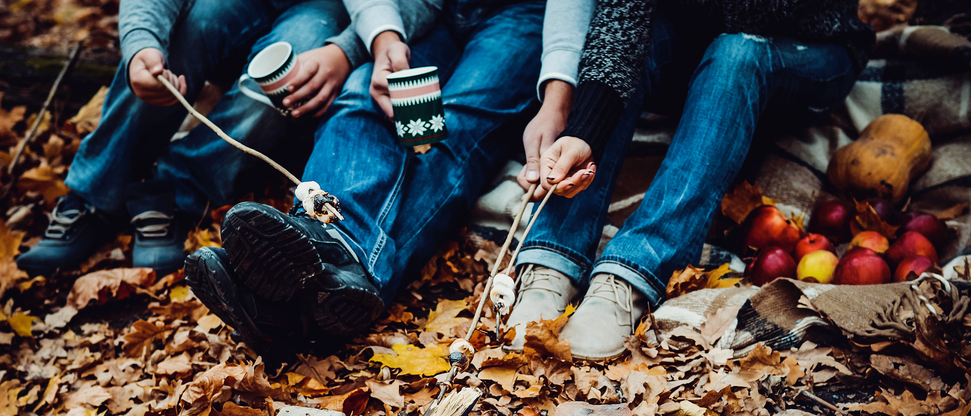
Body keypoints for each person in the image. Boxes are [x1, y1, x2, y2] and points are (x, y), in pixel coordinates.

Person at [186, 0, 565, 352]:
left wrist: (558, 96)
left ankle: (297, 305)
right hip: (427, 10)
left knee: (453, 129)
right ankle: (326, 263)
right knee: (363, 93)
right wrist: (384, 37)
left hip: (528, 13)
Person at [506, 0, 875, 360]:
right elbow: (623, 17)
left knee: (735, 53)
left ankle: (632, 272)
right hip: (697, 36)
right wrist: (586, 132)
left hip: (808, 43)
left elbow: (752, 13)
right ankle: (554, 256)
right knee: (627, 44)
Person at [16, 0, 374, 276]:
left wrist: (347, 49)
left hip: (331, 12)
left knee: (285, 81)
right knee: (176, 41)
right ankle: (95, 195)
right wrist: (141, 44)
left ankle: (170, 196)